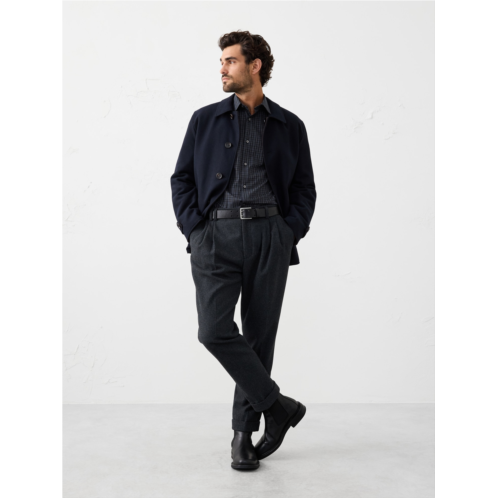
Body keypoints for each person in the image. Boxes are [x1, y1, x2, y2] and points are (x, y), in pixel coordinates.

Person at [171, 30, 317, 471]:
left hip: (271, 235)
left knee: (259, 337)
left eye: (230, 61)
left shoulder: (290, 125)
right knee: (213, 331)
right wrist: (195, 230)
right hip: (215, 236)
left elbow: (304, 188)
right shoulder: (205, 119)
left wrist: (289, 232)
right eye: (222, 61)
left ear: (255, 66)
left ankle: (243, 434)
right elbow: (182, 180)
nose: (222, 68)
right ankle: (279, 406)